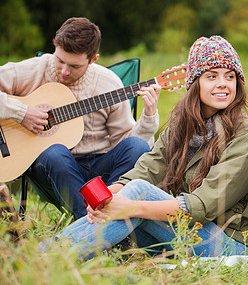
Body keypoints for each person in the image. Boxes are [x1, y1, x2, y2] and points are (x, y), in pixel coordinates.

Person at [43, 35, 248, 259]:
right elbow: (149, 167)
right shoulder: (182, 125)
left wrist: (132, 207)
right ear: (195, 83)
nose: (222, 83)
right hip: (187, 234)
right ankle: (55, 254)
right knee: (133, 190)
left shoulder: (246, 136)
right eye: (211, 76)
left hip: (231, 244)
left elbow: (204, 205)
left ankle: (48, 257)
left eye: (229, 77)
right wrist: (107, 199)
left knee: (139, 194)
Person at [0, 17, 161, 219]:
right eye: (59, 61)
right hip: (53, 167)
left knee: (137, 146)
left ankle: (104, 217)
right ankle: (91, 228)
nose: (64, 71)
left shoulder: (108, 83)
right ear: (54, 47)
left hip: (100, 169)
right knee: (55, 152)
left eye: (74, 66)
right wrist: (20, 113)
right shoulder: (33, 70)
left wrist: (148, 117)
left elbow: (126, 142)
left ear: (93, 59)